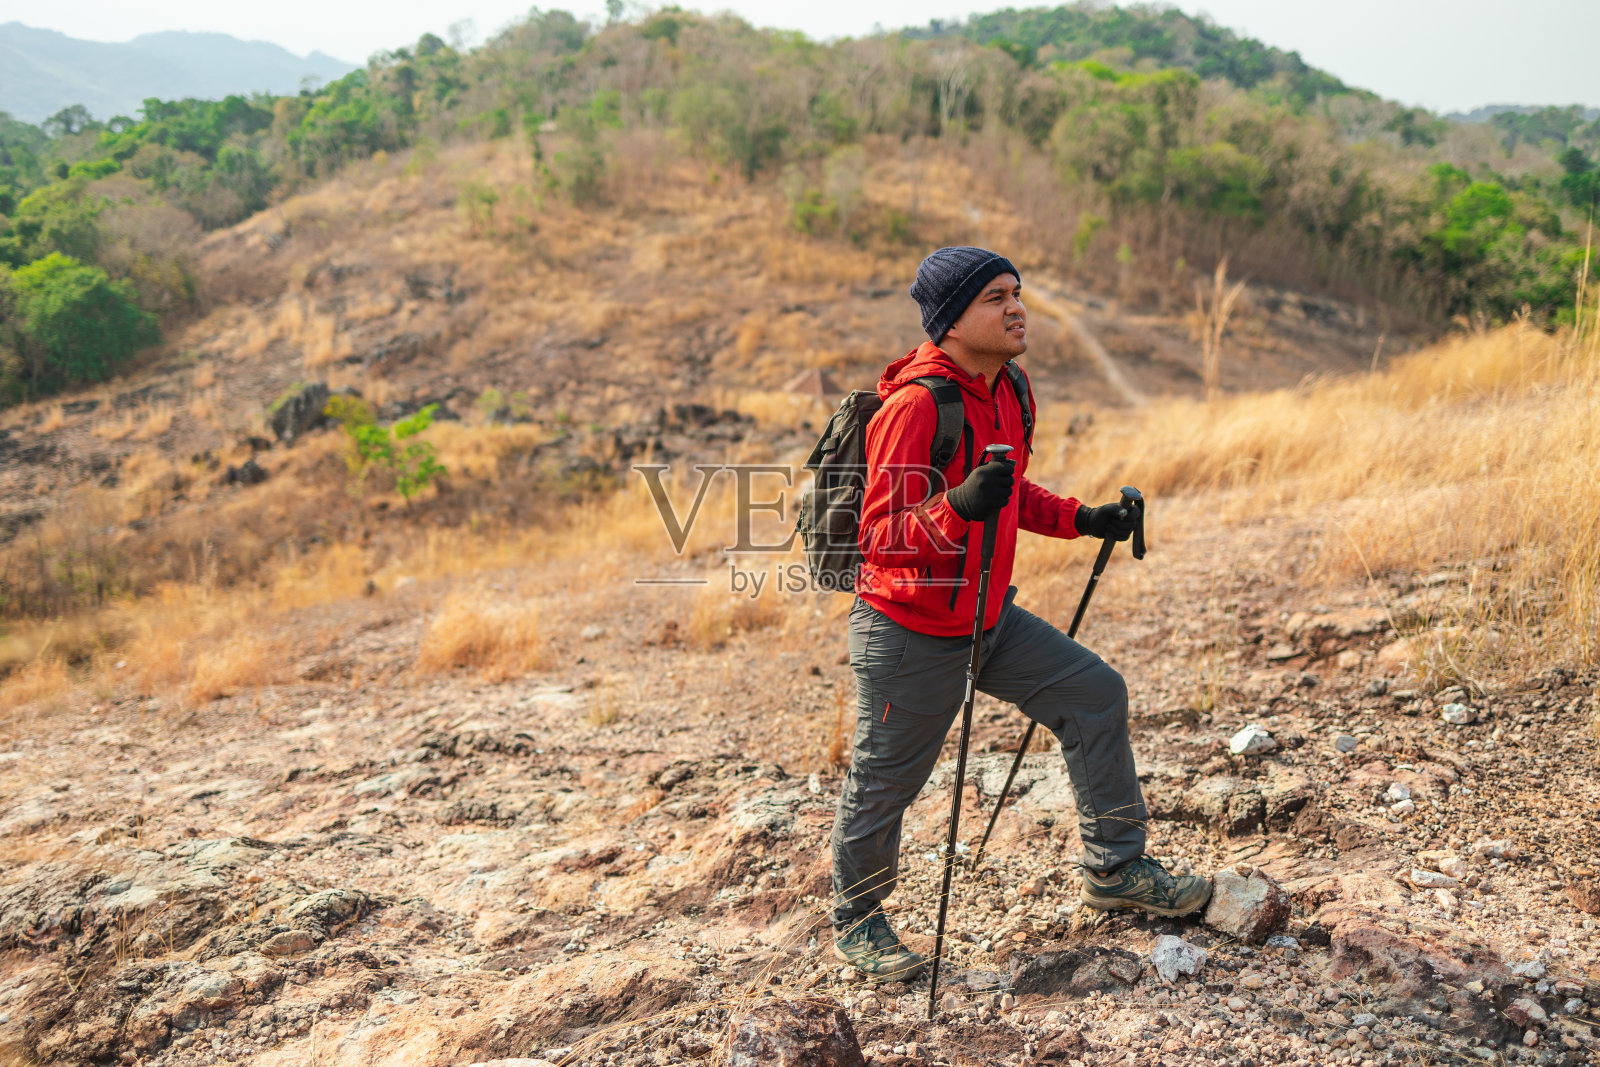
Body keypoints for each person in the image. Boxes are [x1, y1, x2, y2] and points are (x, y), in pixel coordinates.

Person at [829, 246, 1211, 983]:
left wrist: (1085, 518)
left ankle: (1116, 866)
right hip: (906, 631)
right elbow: (876, 537)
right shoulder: (916, 406)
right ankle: (859, 921)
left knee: (1093, 694)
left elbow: (1013, 491)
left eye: (1017, 292)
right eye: (994, 297)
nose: (1016, 308)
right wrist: (955, 505)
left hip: (986, 616)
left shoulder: (1011, 388)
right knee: (885, 782)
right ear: (951, 320)